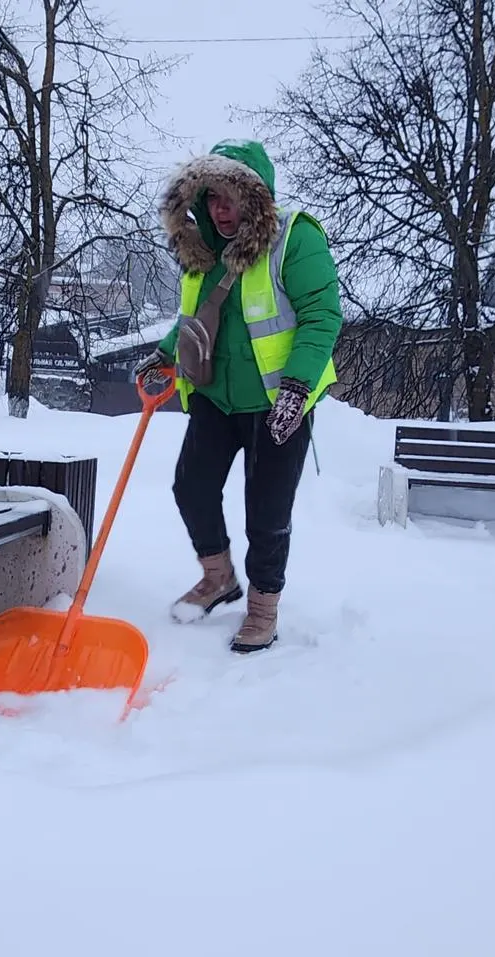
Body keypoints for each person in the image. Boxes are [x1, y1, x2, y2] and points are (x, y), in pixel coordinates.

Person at [137, 138, 342, 653]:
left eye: (231, 197)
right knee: (192, 488)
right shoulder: (203, 250)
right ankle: (219, 577)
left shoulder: (295, 238)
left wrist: (297, 387)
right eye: (211, 198)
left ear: (255, 196)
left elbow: (322, 316)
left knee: (267, 512)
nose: (221, 210)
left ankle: (263, 606)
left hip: (279, 401)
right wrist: (165, 354)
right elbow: (198, 318)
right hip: (216, 397)